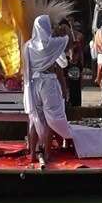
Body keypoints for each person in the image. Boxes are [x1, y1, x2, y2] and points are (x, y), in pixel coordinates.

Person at [23, 15, 74, 162]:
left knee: (35, 120)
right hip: (48, 84)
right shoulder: (52, 44)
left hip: (33, 84)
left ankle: (33, 154)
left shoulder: (28, 45)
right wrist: (66, 28)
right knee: (50, 120)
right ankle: (47, 153)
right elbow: (69, 42)